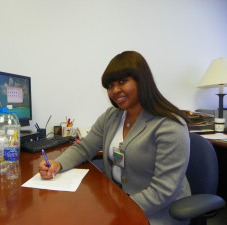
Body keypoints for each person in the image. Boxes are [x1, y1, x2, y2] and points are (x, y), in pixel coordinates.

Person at [38, 51, 191, 225]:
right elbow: (84, 147)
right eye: (110, 85)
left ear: (142, 81)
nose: (115, 90)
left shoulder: (169, 125)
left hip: (156, 212)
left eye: (122, 82)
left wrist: (120, 207)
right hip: (117, 201)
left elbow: (163, 191)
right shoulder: (113, 116)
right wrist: (58, 164)